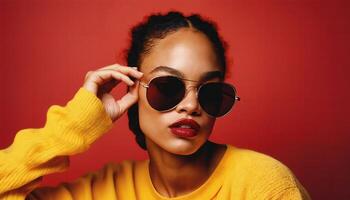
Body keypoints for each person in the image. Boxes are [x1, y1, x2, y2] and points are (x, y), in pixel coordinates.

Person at [0, 11, 310, 199]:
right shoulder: (105, 190)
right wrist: (74, 125)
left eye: (210, 92)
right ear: (133, 88)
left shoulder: (262, 183)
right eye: (168, 87)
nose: (190, 105)